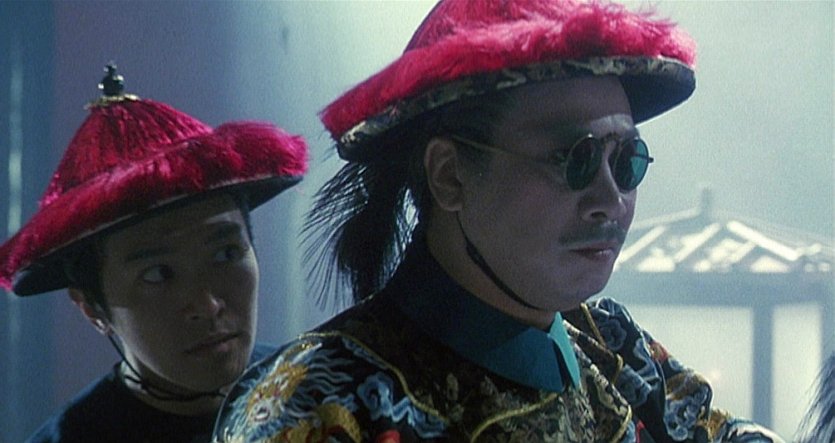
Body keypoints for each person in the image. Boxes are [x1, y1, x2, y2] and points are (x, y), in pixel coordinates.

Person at [213, 1, 783, 442]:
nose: (610, 200)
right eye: (576, 158)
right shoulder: (320, 403)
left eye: (627, 161)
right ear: (449, 176)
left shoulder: (610, 343)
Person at [0, 65, 308, 442]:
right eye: (159, 274)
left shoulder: (321, 392)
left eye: (226, 254)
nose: (207, 305)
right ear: (92, 308)